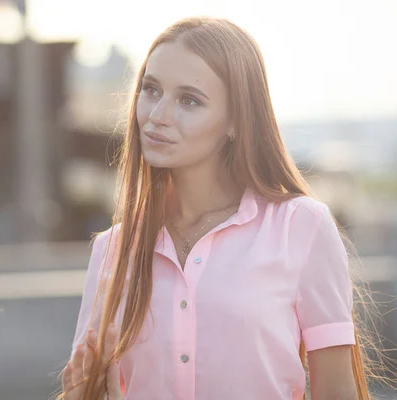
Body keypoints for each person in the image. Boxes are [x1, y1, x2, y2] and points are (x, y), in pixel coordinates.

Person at [58, 16, 371, 400]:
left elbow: (339, 392)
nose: (157, 116)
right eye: (151, 90)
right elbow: (85, 388)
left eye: (189, 100)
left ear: (236, 122)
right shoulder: (112, 250)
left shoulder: (302, 227)